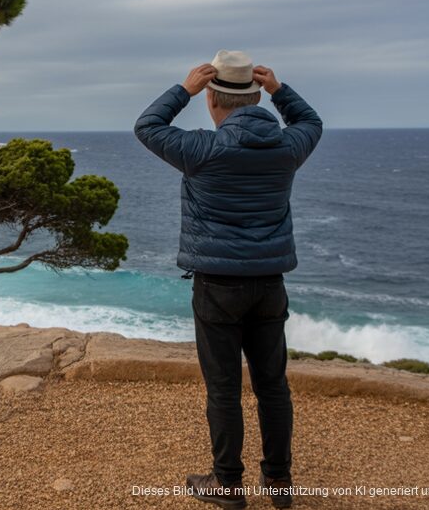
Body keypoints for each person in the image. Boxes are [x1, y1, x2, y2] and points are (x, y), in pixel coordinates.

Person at [134, 50, 322, 509]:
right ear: (256, 97)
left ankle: (228, 484)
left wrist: (184, 88)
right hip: (269, 283)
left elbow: (147, 126)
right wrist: (280, 90)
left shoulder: (201, 149)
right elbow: (311, 122)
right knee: (272, 385)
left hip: (217, 285)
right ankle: (278, 483)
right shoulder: (287, 148)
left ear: (212, 100)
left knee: (223, 388)